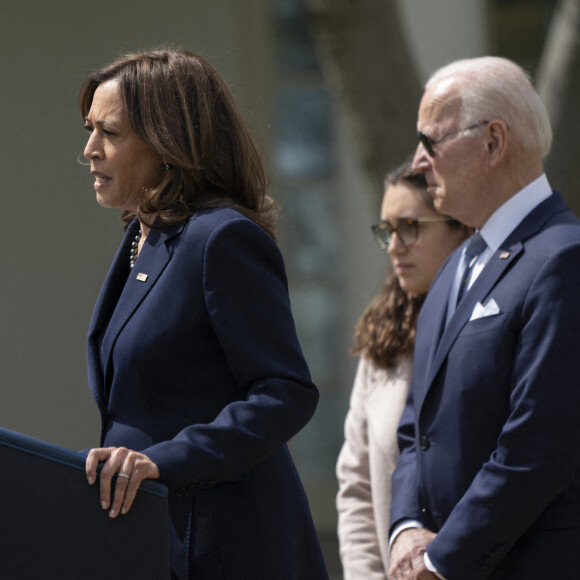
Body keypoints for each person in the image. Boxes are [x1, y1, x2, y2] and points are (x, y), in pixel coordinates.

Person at [79, 48, 328, 580]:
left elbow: (285, 393)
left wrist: (167, 460)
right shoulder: (142, 238)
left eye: (111, 133)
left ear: (168, 144)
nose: (90, 150)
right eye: (90, 130)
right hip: (154, 542)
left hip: (225, 547)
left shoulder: (221, 239)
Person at [388, 56, 580, 580]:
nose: (418, 161)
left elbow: (540, 445)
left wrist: (440, 558)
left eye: (431, 140)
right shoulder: (454, 268)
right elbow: (415, 430)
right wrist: (406, 529)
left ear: (493, 142)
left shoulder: (563, 258)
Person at [336, 163, 470, 579]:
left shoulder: (491, 329)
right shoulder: (384, 341)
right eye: (387, 230)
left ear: (461, 228)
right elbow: (356, 484)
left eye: (410, 226)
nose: (394, 246)